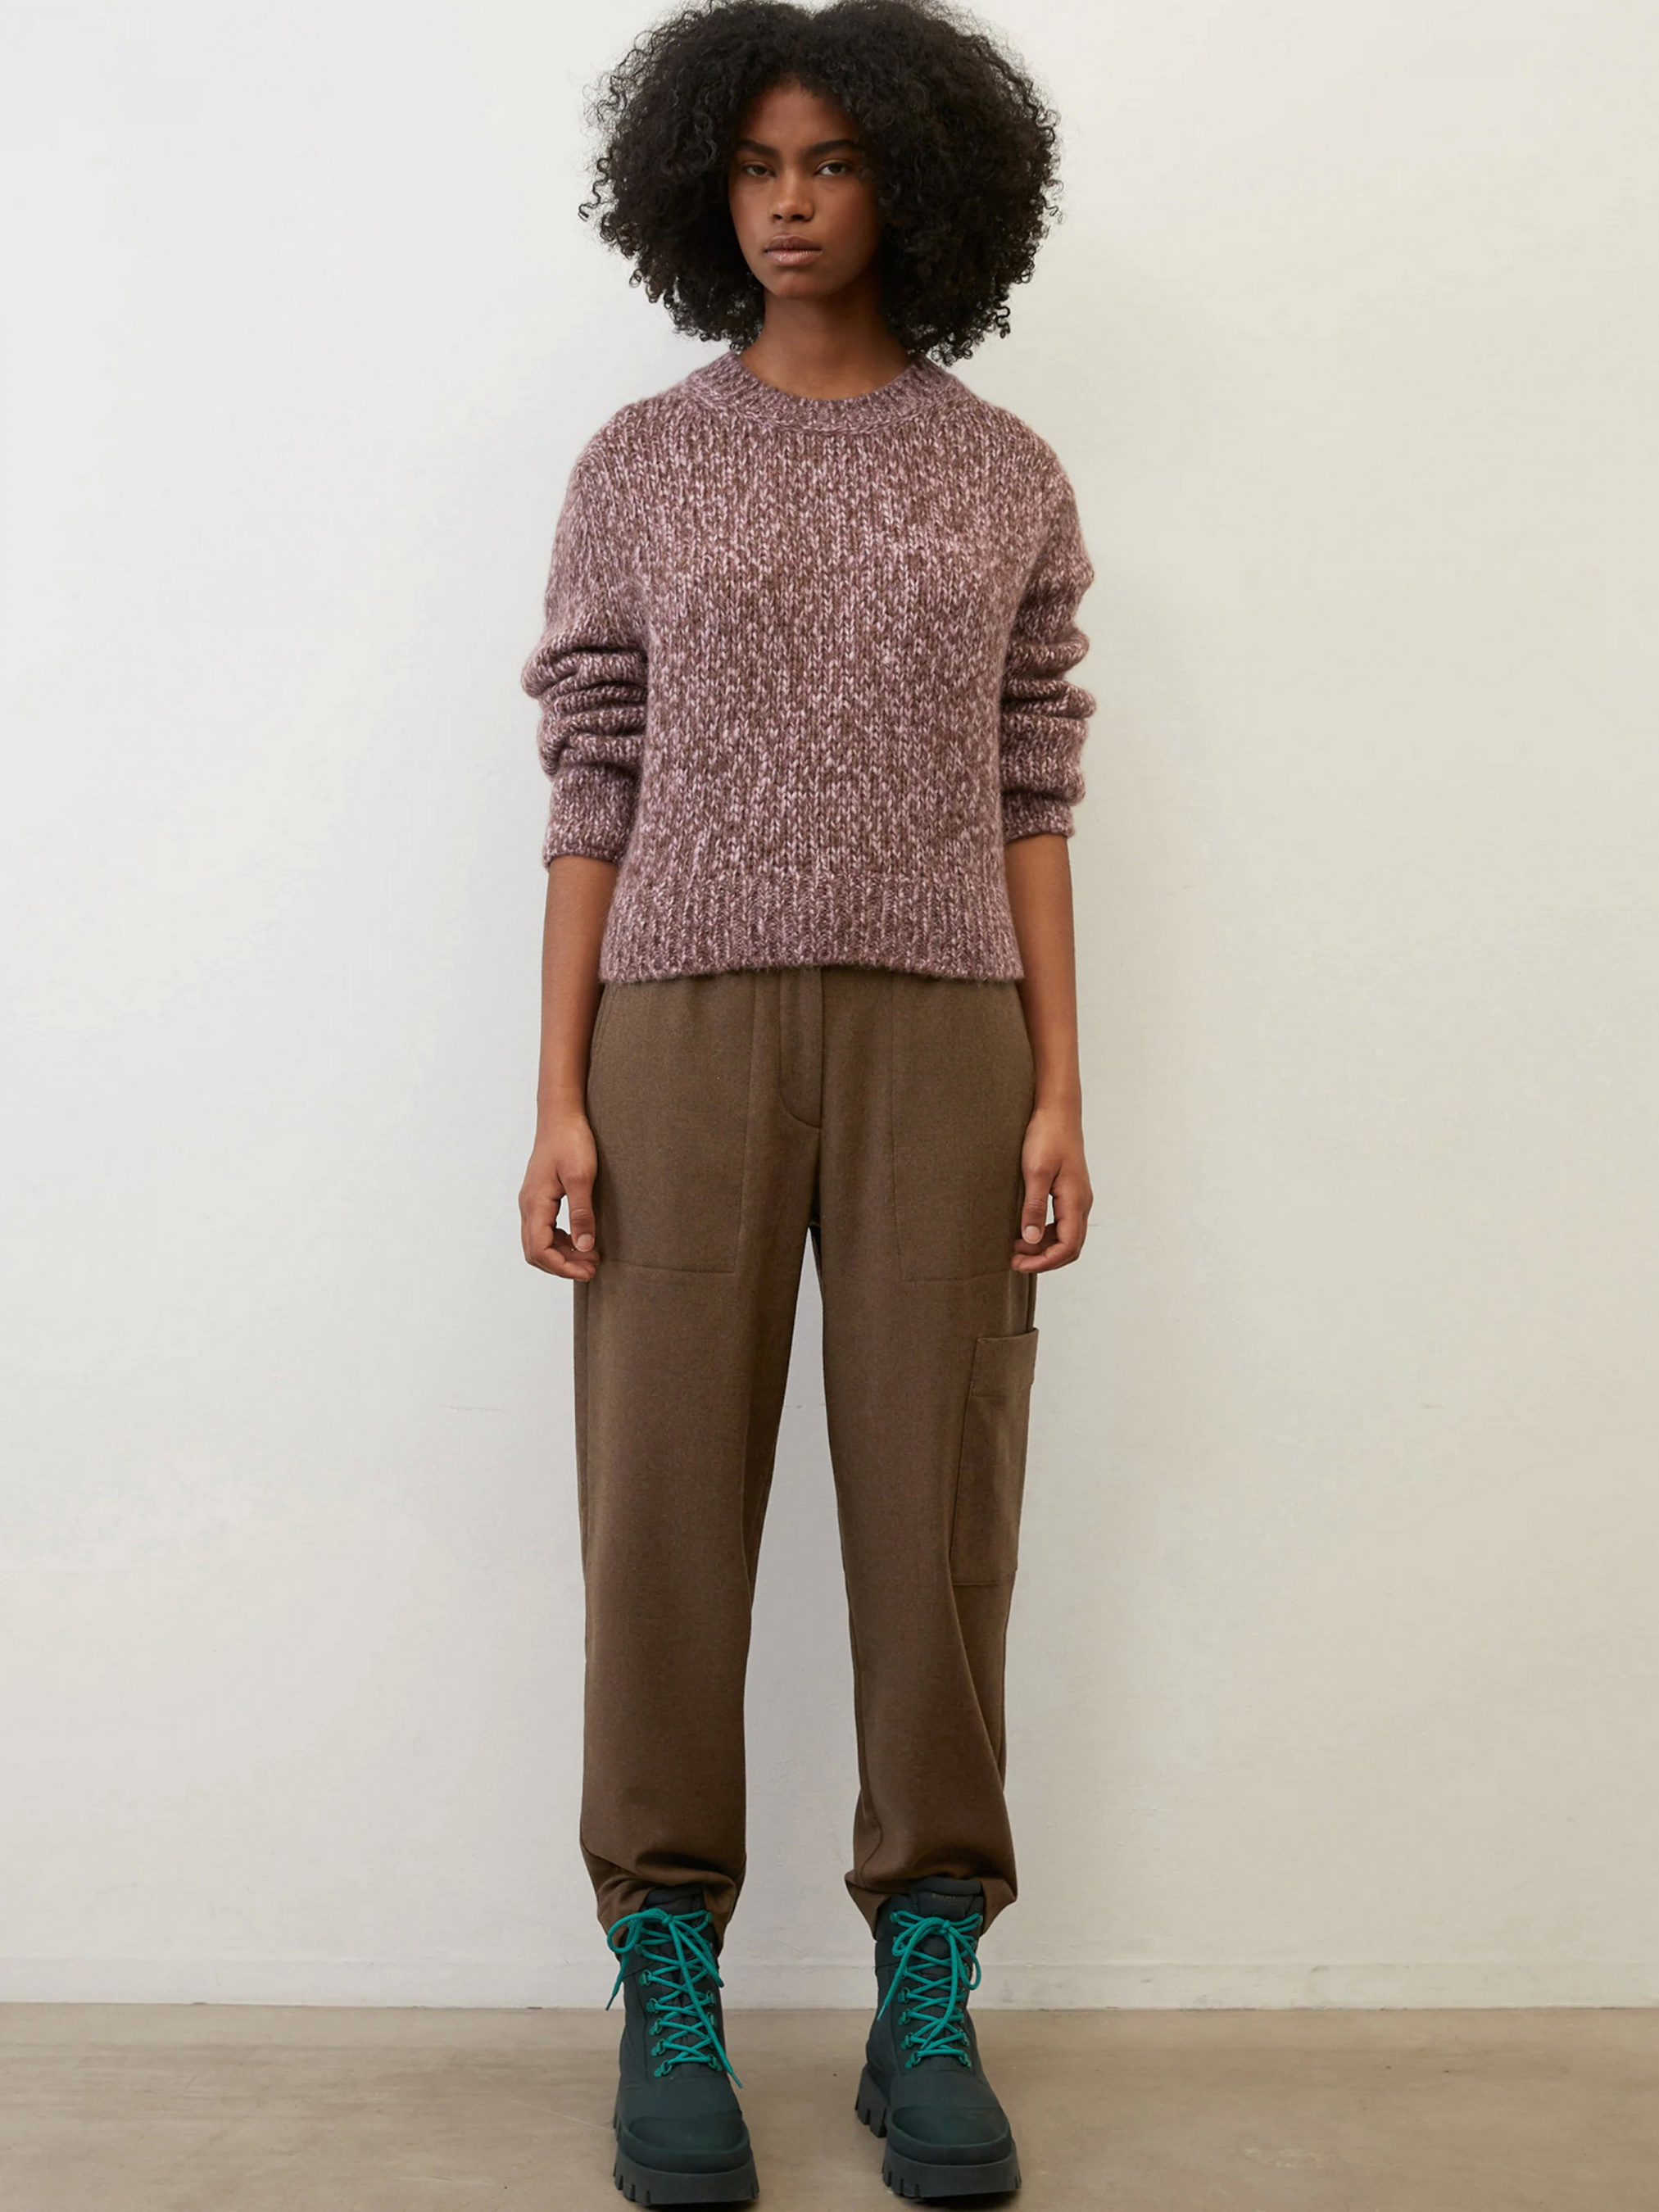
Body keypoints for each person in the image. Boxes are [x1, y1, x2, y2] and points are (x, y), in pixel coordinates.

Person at [517, 2, 1095, 2199]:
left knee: (938, 1510)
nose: (789, 202)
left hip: (949, 1028)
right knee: (663, 1503)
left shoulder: (1001, 469)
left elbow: (1034, 779)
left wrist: (1060, 1084)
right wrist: (557, 1094)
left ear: (915, 189)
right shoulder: (638, 463)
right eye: (756, 162)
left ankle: (925, 1976)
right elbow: (591, 772)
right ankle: (665, 1968)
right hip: (673, 1026)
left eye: (834, 162)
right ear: (701, 184)